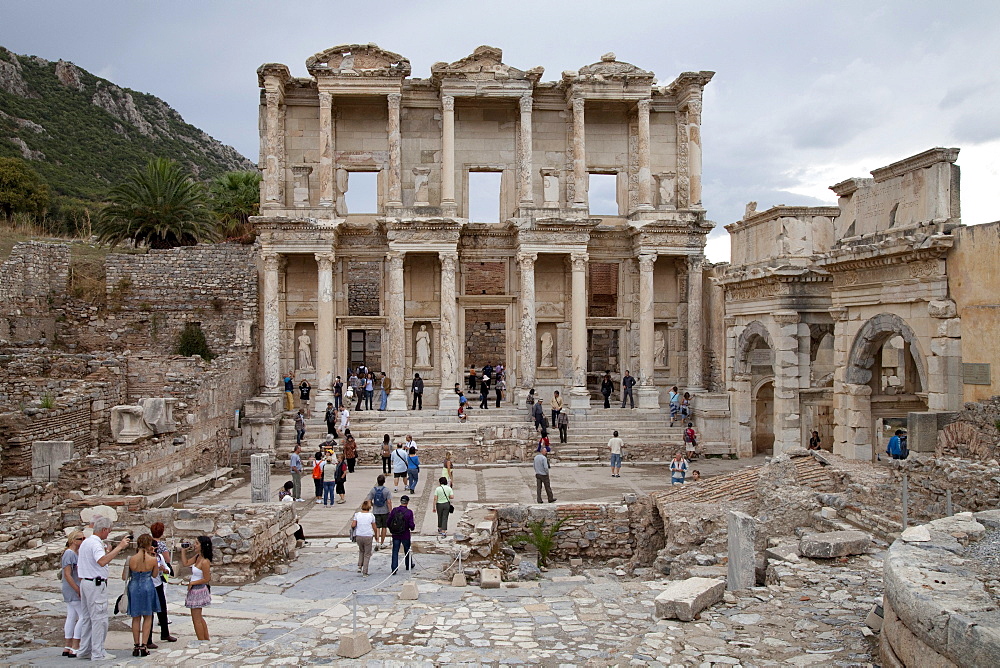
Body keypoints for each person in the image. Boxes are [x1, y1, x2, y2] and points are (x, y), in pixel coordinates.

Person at [77, 517, 131, 661]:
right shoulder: (95, 544)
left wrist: (108, 551)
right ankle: (98, 652)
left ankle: (84, 649)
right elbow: (101, 561)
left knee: (88, 618)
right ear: (105, 530)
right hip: (95, 584)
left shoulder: (86, 542)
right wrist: (120, 547)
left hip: (85, 582)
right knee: (99, 619)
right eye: (109, 531)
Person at [126, 534, 160, 657]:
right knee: (148, 616)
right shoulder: (152, 560)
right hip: (147, 586)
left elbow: (125, 576)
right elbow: (155, 575)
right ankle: (144, 645)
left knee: (136, 617)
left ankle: (136, 645)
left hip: (134, 585)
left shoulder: (131, 559)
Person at [148, 522, 176, 646]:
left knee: (162, 608)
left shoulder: (159, 556)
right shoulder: (146, 557)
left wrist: (164, 569)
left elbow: (166, 566)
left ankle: (165, 633)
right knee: (149, 612)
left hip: (158, 582)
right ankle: (147, 639)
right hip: (149, 585)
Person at [180, 536, 212, 640]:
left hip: (199, 589)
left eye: (197, 543)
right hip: (194, 588)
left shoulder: (205, 562)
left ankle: (201, 640)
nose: (195, 545)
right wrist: (183, 551)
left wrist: (193, 582)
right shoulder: (198, 557)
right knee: (198, 617)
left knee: (196, 618)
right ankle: (205, 638)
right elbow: (186, 563)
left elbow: (207, 578)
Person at [60, 531, 85, 658]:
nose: (83, 541)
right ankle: (75, 645)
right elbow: (67, 574)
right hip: (72, 587)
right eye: (81, 539)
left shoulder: (75, 553)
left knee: (71, 615)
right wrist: (77, 589)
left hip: (71, 587)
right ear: (73, 540)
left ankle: (67, 645)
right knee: (83, 616)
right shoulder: (70, 554)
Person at [387, 495, 416, 574]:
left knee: (395, 550)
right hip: (405, 533)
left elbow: (388, 521)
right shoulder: (409, 512)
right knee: (407, 550)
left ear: (400, 501)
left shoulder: (394, 510)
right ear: (407, 502)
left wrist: (392, 529)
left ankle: (394, 568)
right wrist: (412, 528)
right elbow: (411, 524)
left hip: (396, 534)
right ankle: (408, 564)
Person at [365, 474, 393, 550]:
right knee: (384, 527)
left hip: (376, 511)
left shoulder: (373, 490)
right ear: (384, 481)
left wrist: (372, 506)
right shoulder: (386, 490)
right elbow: (389, 502)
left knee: (377, 527)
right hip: (385, 511)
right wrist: (390, 511)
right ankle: (382, 543)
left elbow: (369, 500)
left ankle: (377, 542)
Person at [351, 501, 377, 576]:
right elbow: (374, 527)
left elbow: (353, 525)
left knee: (361, 550)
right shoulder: (371, 516)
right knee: (367, 554)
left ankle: (360, 566)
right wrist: (376, 535)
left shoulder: (357, 514)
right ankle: (365, 571)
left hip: (359, 535)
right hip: (368, 535)